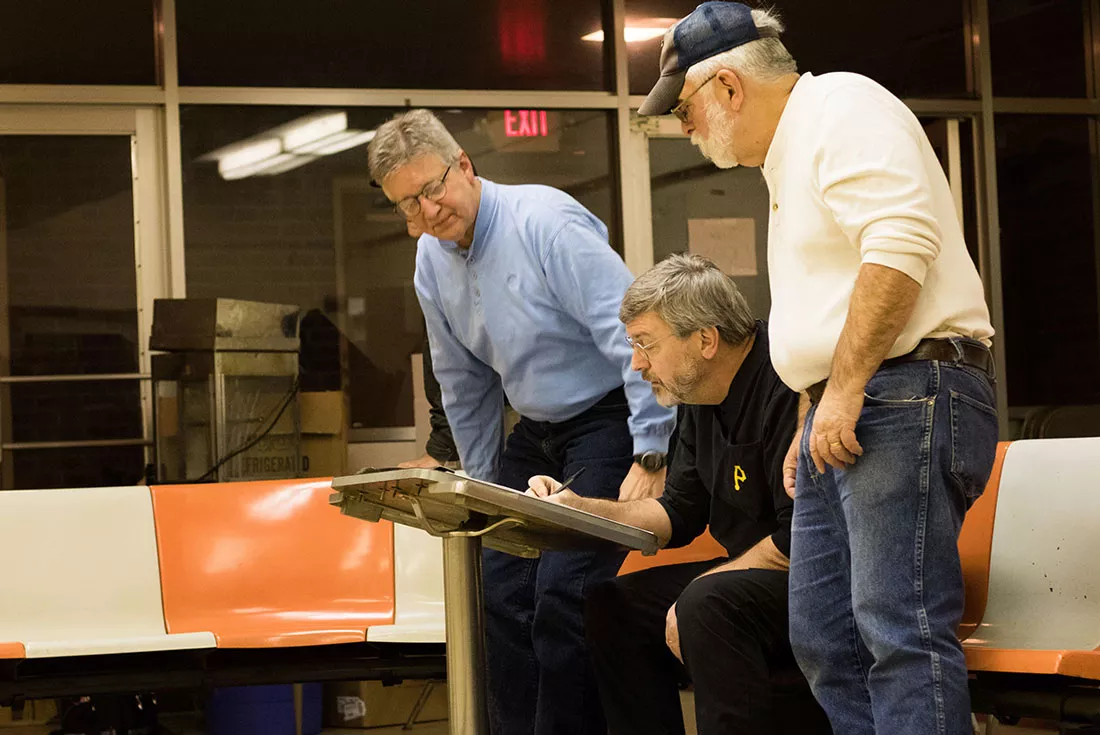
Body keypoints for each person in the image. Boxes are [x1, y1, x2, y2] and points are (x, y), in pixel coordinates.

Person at [638, 4, 998, 734]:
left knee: (897, 635)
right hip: (859, 402)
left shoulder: (841, 107)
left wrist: (842, 389)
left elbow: (899, 245)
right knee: (827, 637)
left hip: (904, 395)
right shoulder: (788, 153)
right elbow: (831, 301)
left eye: (686, 107)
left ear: (730, 88)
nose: (684, 127)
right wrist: (811, 403)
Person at [367, 109, 676, 735]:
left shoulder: (546, 224)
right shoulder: (431, 259)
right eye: (407, 206)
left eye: (433, 190)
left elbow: (634, 340)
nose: (427, 214)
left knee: (562, 596)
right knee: (498, 593)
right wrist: (479, 492)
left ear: (465, 166)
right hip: (536, 432)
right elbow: (465, 383)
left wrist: (651, 449)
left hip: (608, 419)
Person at [528, 254, 829, 735]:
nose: (636, 363)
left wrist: (696, 593)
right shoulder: (697, 394)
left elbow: (803, 541)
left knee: (706, 604)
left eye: (645, 344)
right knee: (612, 604)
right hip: (754, 575)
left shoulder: (787, 378)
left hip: (817, 575)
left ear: (706, 339)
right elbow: (678, 513)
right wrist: (577, 508)